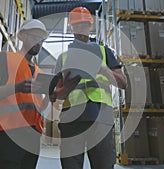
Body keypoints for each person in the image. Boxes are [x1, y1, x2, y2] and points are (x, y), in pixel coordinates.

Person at [52, 7, 127, 169]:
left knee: (104, 166)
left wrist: (101, 68)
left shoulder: (104, 52)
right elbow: (55, 95)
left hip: (101, 119)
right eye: (76, 25)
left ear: (90, 26)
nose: (80, 29)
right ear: (71, 28)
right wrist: (66, 88)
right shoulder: (63, 57)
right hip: (71, 120)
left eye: (83, 25)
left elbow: (123, 83)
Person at [0, 19, 49, 169]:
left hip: (33, 135)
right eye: (34, 37)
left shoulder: (40, 72)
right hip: (10, 133)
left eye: (41, 39)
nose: (38, 42)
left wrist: (52, 96)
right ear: (22, 36)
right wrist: (16, 87)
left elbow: (39, 107)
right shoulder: (5, 58)